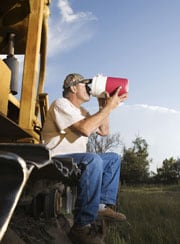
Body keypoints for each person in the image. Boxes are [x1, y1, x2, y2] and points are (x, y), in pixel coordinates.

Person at [41, 73, 128, 244]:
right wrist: (108, 108)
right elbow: (85, 129)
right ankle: (81, 226)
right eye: (84, 83)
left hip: (78, 160)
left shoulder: (82, 111)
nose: (89, 87)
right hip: (57, 159)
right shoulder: (61, 104)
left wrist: (103, 105)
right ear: (73, 87)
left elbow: (104, 131)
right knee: (93, 159)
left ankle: (101, 206)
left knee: (113, 159)